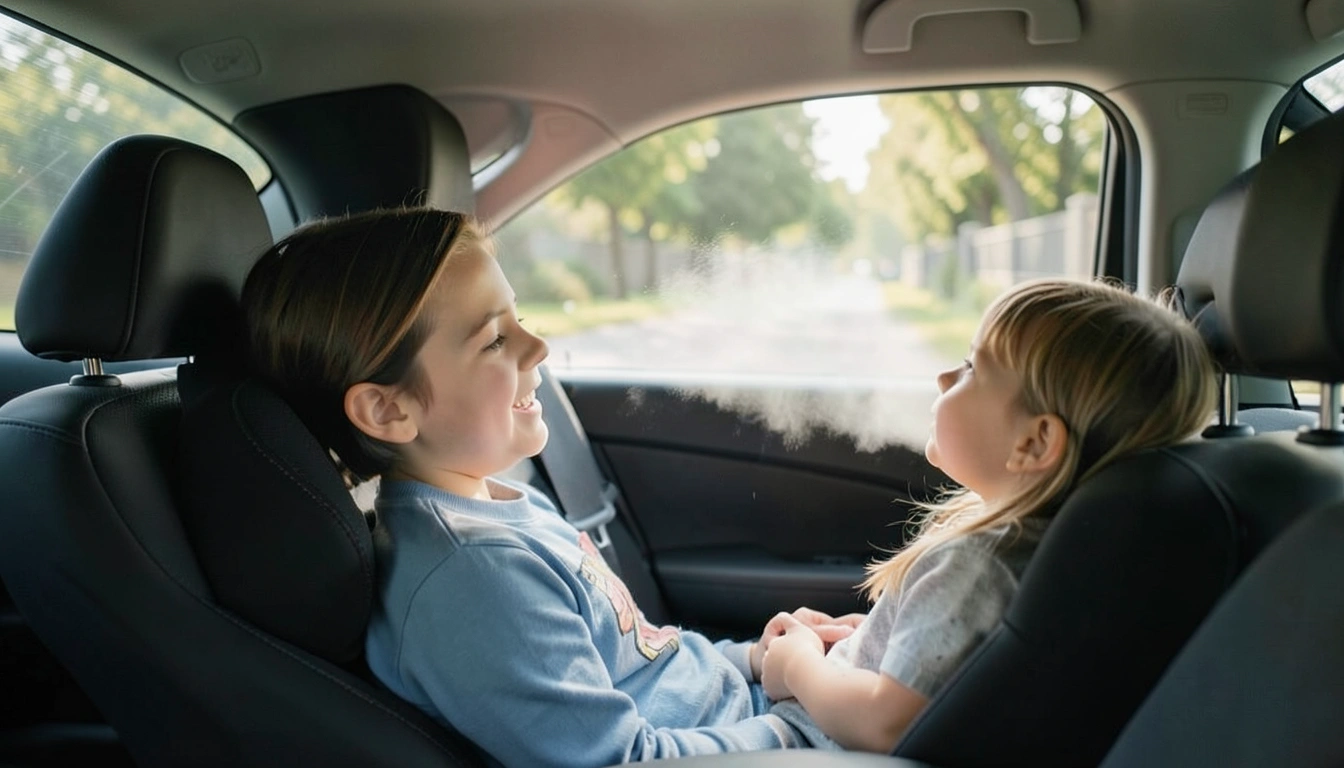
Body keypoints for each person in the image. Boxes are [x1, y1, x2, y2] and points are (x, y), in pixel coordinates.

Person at [239, 207, 857, 768]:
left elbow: (641, 659)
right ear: (387, 411)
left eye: (521, 320)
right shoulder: (471, 578)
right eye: (495, 340)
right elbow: (618, 760)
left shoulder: (506, 507)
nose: (539, 346)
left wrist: (755, 659)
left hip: (749, 716)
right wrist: (795, 724)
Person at [755, 278, 1217, 753]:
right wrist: (871, 638)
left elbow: (885, 724)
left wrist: (798, 664)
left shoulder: (977, 564)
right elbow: (952, 670)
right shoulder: (1037, 547)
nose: (943, 378)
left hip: (801, 738)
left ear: (1033, 443)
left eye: (972, 367)